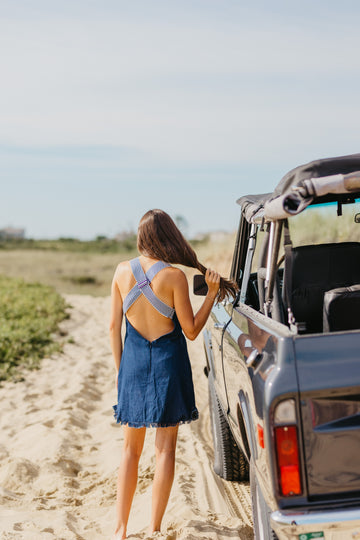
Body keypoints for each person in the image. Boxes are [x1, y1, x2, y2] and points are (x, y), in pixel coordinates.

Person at [109, 209, 237, 539]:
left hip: (133, 367)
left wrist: (122, 372)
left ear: (141, 238)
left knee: (129, 451)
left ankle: (121, 529)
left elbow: (113, 327)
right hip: (168, 366)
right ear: (168, 237)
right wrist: (211, 294)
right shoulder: (174, 277)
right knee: (165, 450)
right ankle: (153, 527)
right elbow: (191, 331)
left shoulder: (122, 272)